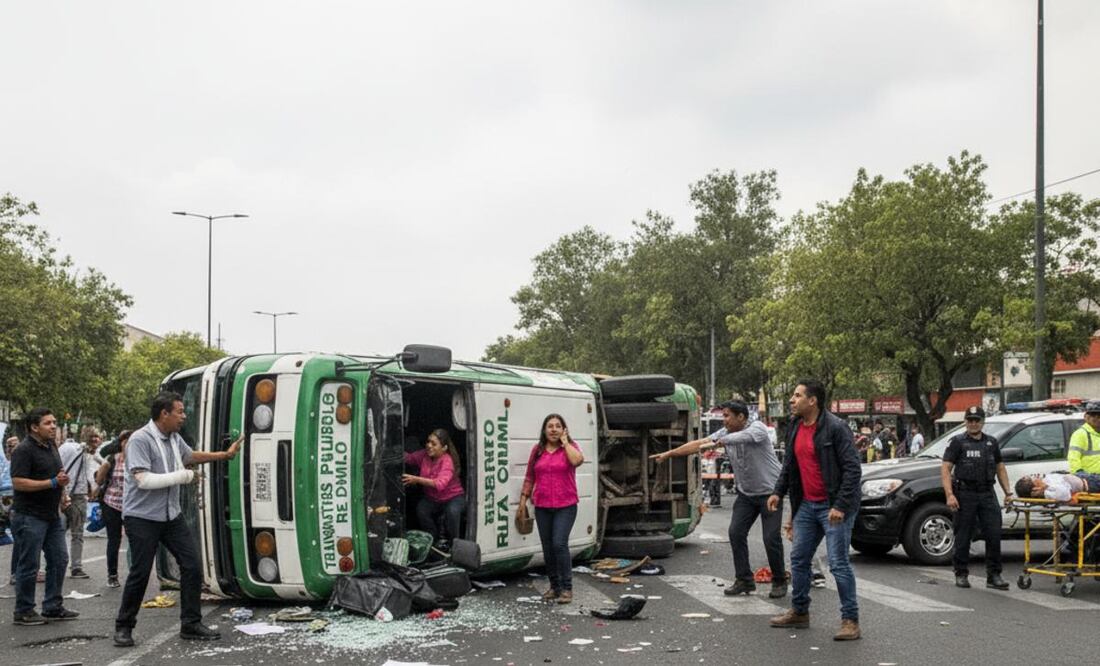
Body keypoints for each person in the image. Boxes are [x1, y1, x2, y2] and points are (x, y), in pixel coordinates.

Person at [113, 392, 242, 648]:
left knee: (192, 565)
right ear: (164, 414)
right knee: (140, 572)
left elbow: (189, 456)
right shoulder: (140, 439)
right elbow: (143, 480)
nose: (184, 416)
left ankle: (191, 624)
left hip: (171, 515)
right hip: (142, 517)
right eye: (180, 412)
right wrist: (184, 477)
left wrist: (224, 456)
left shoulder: (173, 438)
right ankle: (124, 627)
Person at [652, 400, 787, 598]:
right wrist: (670, 454)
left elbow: (742, 437)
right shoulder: (725, 433)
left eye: (727, 416)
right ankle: (744, 580)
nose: (724, 420)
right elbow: (699, 444)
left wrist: (720, 441)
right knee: (736, 533)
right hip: (746, 495)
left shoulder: (757, 428)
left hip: (770, 493)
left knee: (770, 538)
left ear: (741, 417)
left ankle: (779, 580)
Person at [767, 379, 863, 641]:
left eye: (797, 395)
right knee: (799, 558)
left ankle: (850, 620)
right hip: (807, 504)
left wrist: (840, 505)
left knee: (838, 563)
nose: (792, 400)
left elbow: (853, 470)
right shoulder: (795, 426)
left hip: (834, 506)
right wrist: (777, 492)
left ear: (813, 401)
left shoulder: (836, 428)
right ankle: (799, 611)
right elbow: (789, 466)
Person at [9, 408, 79, 625]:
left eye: (54, 422)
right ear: (34, 427)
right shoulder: (23, 450)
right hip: (29, 516)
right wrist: (52, 483)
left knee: (60, 559)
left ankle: (52, 606)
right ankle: (24, 611)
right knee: (29, 564)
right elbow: (18, 482)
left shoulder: (51, 446)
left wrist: (63, 494)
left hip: (51, 515)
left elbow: (59, 475)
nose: (53, 426)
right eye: (48, 423)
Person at [940, 405, 1013, 591]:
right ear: (965, 422)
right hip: (965, 493)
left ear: (982, 422)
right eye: (970, 420)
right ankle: (961, 573)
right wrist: (949, 495)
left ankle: (994, 575)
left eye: (977, 420)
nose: (973, 423)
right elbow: (946, 468)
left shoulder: (991, 443)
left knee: (994, 534)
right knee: (963, 535)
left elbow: (1000, 467)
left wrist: (1008, 493)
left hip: (987, 493)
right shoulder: (957, 442)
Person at [518, 413, 583, 604]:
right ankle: (555, 587)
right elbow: (530, 476)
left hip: (566, 505)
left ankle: (567, 588)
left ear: (564, 430)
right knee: (547, 548)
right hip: (542, 505)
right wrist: (523, 500)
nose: (554, 429)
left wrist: (565, 443)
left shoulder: (570, 447)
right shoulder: (537, 450)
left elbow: (577, 461)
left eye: (558, 426)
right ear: (544, 430)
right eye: (550, 426)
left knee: (559, 544)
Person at [402, 429, 466, 544]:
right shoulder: (424, 455)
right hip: (433, 499)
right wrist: (394, 451)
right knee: (422, 510)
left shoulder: (447, 461)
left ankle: (455, 543)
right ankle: (432, 539)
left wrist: (416, 479)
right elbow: (409, 458)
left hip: (453, 498)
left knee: (452, 512)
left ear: (444, 448)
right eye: (428, 442)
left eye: (434, 444)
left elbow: (439, 484)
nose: (429, 446)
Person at [58, 427, 101, 580]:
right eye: (93, 437)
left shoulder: (93, 456)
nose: (96, 440)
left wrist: (93, 490)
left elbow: (94, 473)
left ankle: (76, 567)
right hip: (63, 494)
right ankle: (55, 565)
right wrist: (62, 493)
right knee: (58, 531)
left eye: (98, 437)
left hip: (79, 496)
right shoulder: (72, 449)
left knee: (77, 533)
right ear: (85, 437)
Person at [94, 430, 133, 588]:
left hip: (132, 506)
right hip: (112, 504)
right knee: (114, 540)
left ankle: (135, 574)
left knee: (136, 540)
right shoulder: (112, 458)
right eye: (126, 441)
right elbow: (99, 480)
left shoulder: (140, 459)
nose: (128, 444)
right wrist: (104, 468)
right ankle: (112, 575)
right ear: (121, 443)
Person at [1015, 471, 1100, 502]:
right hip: (1091, 484)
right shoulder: (1048, 492)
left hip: (1085, 477)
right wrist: (1046, 486)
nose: (1035, 475)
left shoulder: (1045, 480)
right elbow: (1065, 494)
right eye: (1032, 478)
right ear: (1035, 489)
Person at [1068, 401, 1100, 475]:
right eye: (1094, 415)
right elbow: (1073, 458)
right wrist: (1080, 474)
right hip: (1090, 479)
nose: (1098, 419)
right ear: (1086, 417)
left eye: (1099, 416)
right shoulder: (1080, 434)